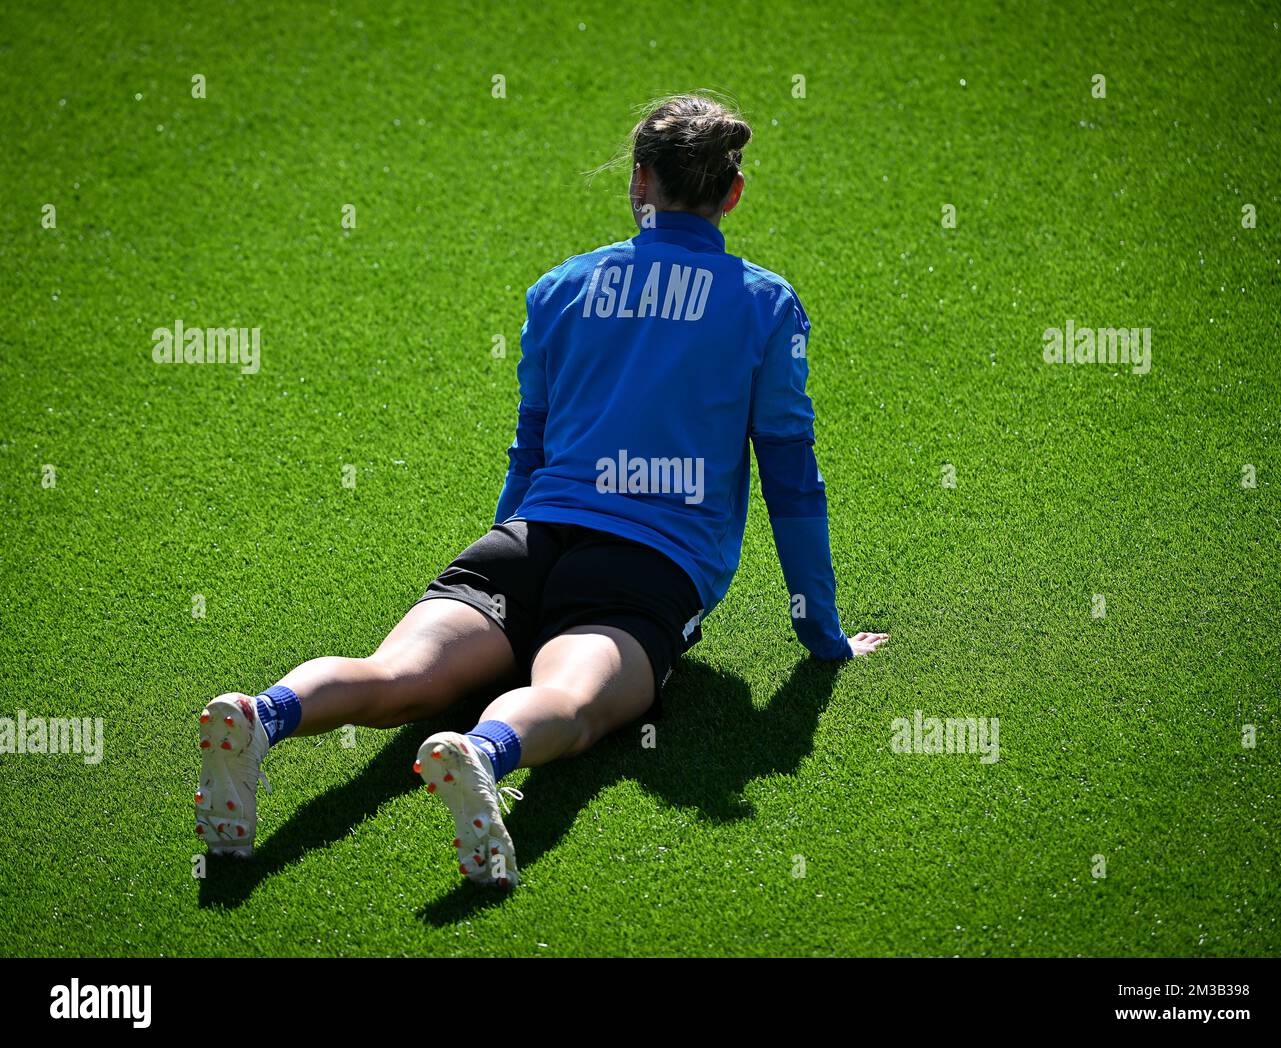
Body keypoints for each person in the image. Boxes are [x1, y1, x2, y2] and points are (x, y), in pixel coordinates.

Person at [194, 92, 889, 889]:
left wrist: (506, 592)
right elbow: (790, 475)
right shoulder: (765, 303)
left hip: (522, 543)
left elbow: (531, 443)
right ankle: (484, 754)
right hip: (644, 571)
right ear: (732, 192)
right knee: (570, 701)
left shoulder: (562, 286)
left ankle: (262, 713)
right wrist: (823, 634)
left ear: (639, 182)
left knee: (394, 676)